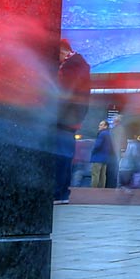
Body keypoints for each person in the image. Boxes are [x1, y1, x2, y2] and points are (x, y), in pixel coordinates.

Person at [55, 39, 92, 205]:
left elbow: (66, 91)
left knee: (60, 155)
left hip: (65, 117)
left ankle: (59, 192)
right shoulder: (80, 64)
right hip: (72, 118)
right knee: (64, 154)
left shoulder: (72, 65)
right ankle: (62, 192)